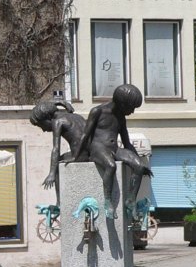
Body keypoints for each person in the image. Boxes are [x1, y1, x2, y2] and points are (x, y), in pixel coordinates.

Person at [70, 83, 152, 220]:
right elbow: (85, 135)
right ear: (122, 103)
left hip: (114, 148)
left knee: (138, 166)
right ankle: (107, 200)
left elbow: (126, 142)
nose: (132, 111)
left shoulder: (121, 117)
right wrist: (76, 156)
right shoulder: (98, 111)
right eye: (131, 107)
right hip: (98, 148)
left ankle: (130, 201)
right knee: (110, 165)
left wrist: (139, 163)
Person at [30, 97, 87, 200]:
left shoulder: (58, 122)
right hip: (90, 151)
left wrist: (51, 173)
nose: (43, 130)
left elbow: (56, 149)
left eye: (41, 125)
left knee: (57, 164)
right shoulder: (76, 117)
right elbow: (48, 106)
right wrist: (62, 102)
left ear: (48, 118)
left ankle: (59, 202)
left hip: (81, 155)